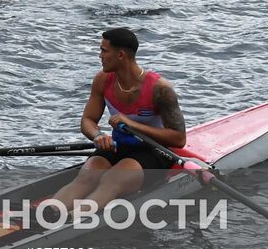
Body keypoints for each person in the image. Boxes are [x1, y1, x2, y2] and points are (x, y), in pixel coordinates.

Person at [46, 28, 188, 213]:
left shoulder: (160, 89)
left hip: (154, 152)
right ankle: (46, 214)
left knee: (113, 179)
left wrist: (132, 124)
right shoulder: (103, 80)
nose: (100, 56)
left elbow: (178, 139)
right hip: (117, 147)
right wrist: (97, 136)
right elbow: (87, 120)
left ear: (120, 55)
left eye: (104, 51)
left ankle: (73, 221)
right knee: (86, 176)